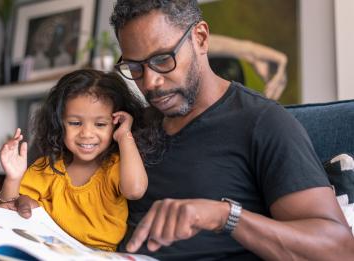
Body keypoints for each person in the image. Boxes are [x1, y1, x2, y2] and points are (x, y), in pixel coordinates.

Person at [108, 0, 354, 260]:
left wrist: (226, 216)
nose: (150, 82)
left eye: (162, 59)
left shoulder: (262, 122)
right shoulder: (132, 124)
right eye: (135, 67)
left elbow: (339, 251)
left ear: (200, 38)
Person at [0, 69, 148, 252]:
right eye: (75, 123)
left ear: (115, 124)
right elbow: (8, 207)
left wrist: (125, 136)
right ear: (60, 124)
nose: (86, 134)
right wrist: (13, 178)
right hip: (49, 249)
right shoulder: (47, 168)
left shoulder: (115, 166)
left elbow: (135, 191)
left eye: (100, 124)